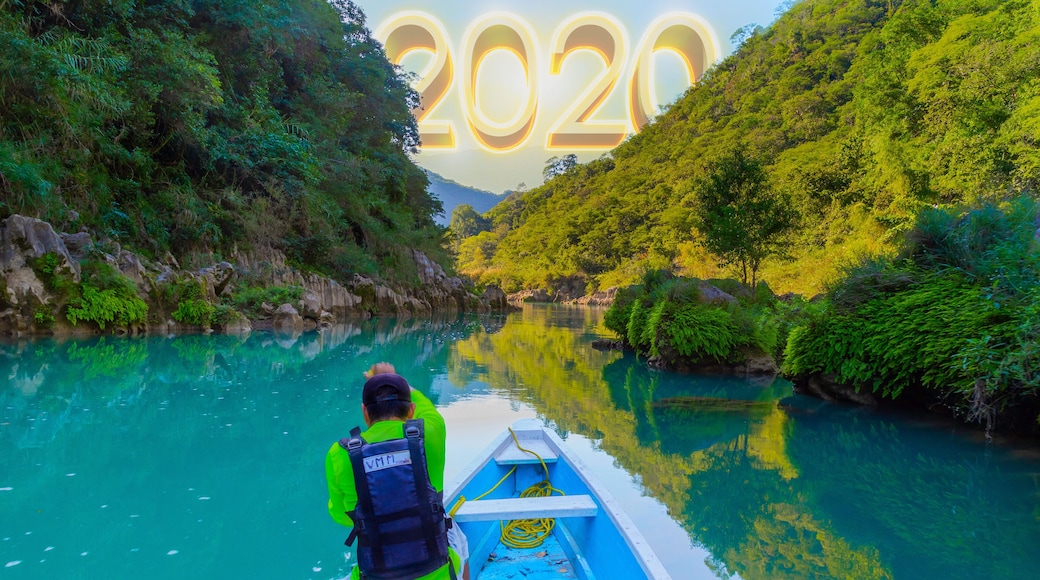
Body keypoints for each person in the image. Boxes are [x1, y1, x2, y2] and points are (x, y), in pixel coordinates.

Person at [326, 362, 470, 580]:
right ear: (411, 410)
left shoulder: (340, 454)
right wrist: (393, 377)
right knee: (459, 538)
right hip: (435, 571)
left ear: (365, 412)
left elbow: (342, 517)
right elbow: (426, 407)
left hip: (375, 575)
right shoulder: (431, 433)